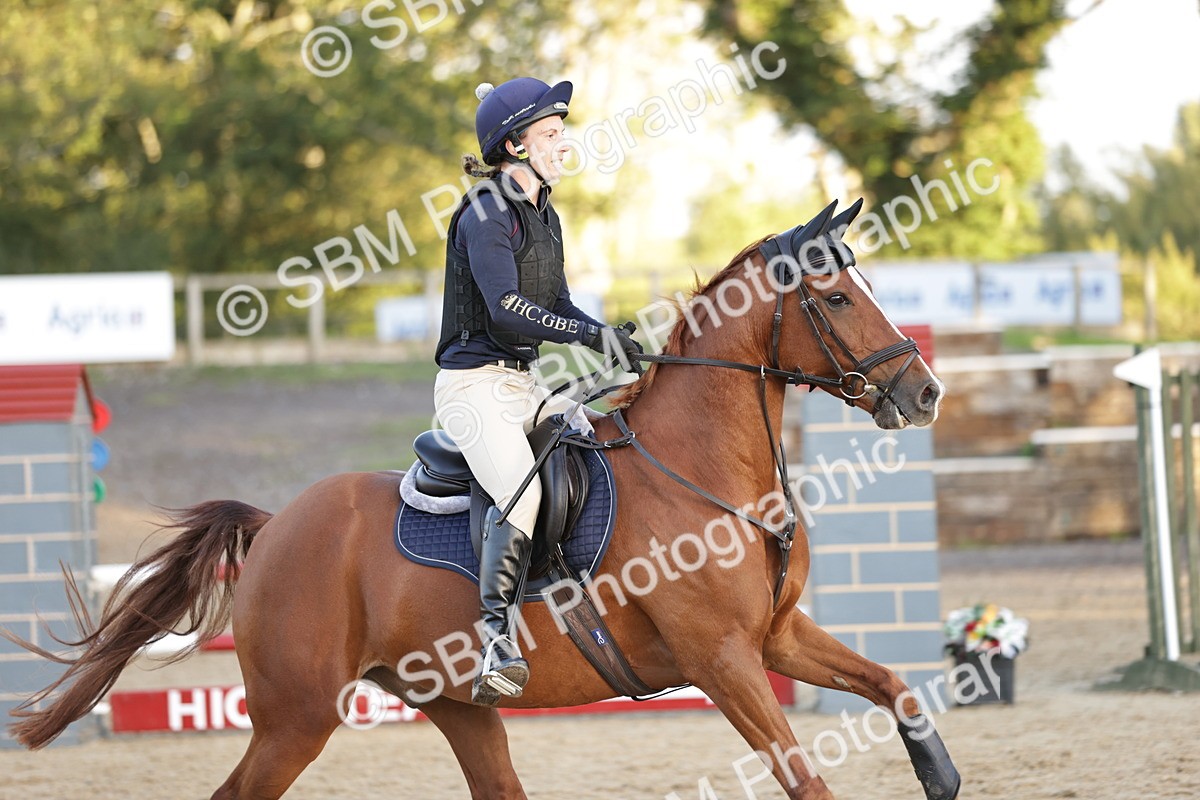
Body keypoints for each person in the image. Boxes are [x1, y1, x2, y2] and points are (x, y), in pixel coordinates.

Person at [434, 77, 643, 706]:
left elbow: (555, 303)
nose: (563, 144)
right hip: (472, 387)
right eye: (550, 135)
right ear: (515, 146)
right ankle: (495, 643)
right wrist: (583, 332)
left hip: (523, 384)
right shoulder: (486, 212)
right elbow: (506, 311)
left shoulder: (543, 212)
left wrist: (605, 337)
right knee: (520, 496)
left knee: (600, 441)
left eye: (560, 133)